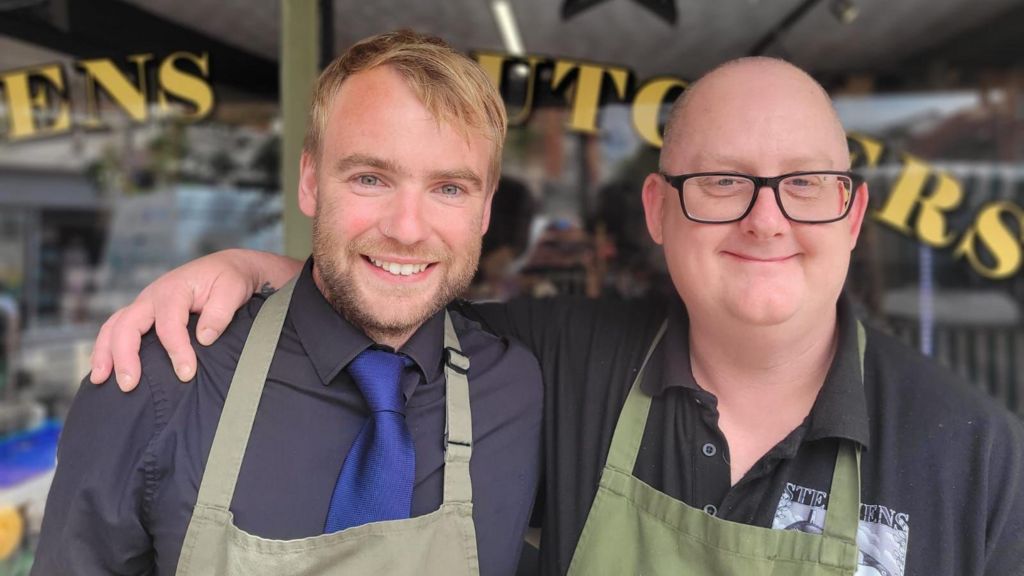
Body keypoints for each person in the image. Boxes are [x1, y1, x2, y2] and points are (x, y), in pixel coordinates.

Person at [89, 58, 1024, 576]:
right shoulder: (561, 361)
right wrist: (252, 268)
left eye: (806, 186)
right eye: (723, 183)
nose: (766, 217)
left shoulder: (976, 454)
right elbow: (398, 285)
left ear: (853, 214)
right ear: (658, 212)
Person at [33, 30, 543, 576]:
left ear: (485, 211)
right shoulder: (156, 384)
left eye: (449, 189)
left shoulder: (516, 386)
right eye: (370, 178)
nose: (407, 229)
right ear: (309, 182)